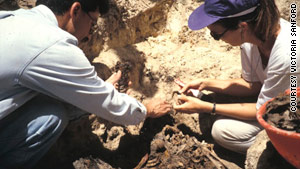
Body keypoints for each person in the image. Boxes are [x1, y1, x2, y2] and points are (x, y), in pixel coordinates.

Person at [0, 0, 172, 168]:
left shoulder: (13, 18)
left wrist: (98, 91)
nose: (90, 34)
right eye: (93, 23)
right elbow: (107, 103)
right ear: (75, 10)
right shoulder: (52, 45)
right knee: (51, 118)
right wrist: (146, 110)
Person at [174, 0, 300, 154]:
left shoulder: (288, 55)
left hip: (293, 113)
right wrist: (205, 83)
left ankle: (281, 154)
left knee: (222, 131)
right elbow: (252, 85)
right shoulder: (252, 37)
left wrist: (207, 108)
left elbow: (263, 110)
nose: (217, 39)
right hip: (277, 103)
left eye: (216, 34)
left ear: (242, 26)